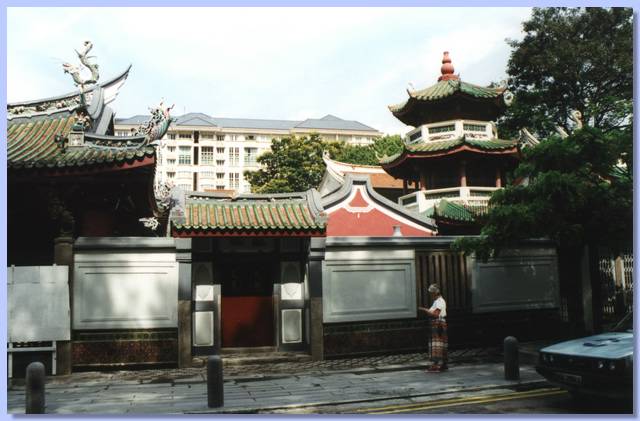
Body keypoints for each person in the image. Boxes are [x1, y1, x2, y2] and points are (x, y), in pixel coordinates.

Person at [419, 284, 448, 372]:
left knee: (437, 344)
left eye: (431, 293)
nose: (430, 295)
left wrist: (425, 310)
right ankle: (442, 364)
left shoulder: (439, 301)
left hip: (438, 324)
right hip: (438, 324)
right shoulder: (437, 301)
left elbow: (435, 314)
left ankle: (437, 365)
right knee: (439, 344)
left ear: (435, 293)